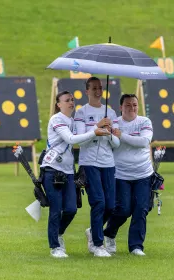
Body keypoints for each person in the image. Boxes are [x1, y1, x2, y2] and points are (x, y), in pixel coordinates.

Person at [41, 90, 110, 258]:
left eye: (72, 99)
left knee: (71, 209)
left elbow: (81, 138)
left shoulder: (72, 121)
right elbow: (71, 139)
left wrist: (98, 127)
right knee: (56, 209)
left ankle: (57, 234)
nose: (71, 102)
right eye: (67, 100)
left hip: (68, 172)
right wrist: (95, 131)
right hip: (52, 169)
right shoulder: (56, 119)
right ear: (58, 104)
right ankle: (55, 247)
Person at [74, 77, 120, 257]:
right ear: (87, 91)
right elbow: (79, 138)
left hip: (108, 163)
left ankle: (93, 231)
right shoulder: (81, 113)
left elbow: (116, 143)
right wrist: (96, 126)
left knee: (110, 206)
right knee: (98, 202)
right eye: (93, 88)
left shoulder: (111, 113)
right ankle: (98, 245)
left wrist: (108, 132)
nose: (97, 91)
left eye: (100, 88)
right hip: (89, 163)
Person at [103, 93, 154, 256]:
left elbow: (144, 142)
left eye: (134, 105)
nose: (132, 108)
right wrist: (110, 133)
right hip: (121, 174)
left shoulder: (145, 122)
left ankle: (136, 246)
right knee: (123, 209)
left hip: (143, 174)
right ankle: (109, 234)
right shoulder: (114, 123)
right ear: (120, 107)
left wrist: (121, 135)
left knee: (141, 209)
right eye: (128, 105)